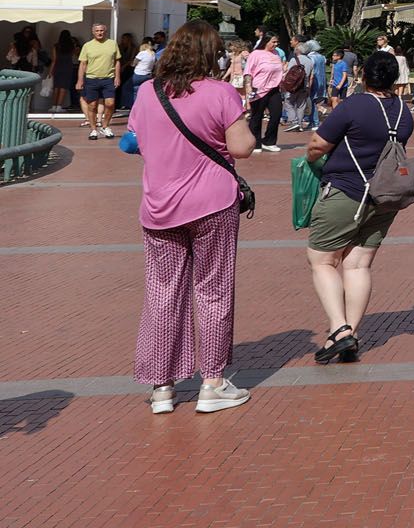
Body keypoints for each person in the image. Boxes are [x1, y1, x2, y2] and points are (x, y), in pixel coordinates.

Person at [129, 21, 256, 414]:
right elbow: (242, 148)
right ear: (212, 55)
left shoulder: (148, 92)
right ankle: (212, 383)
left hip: (159, 206)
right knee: (213, 289)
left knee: (162, 292)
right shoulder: (221, 93)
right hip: (212, 203)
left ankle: (162, 386)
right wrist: (244, 122)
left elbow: (134, 142)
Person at [302, 50, 413, 364]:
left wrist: (311, 161)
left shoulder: (354, 106)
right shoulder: (403, 112)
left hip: (346, 191)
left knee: (322, 260)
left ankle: (339, 328)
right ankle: (350, 334)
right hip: (385, 197)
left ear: (364, 75)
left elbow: (317, 145)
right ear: (394, 78)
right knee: (358, 264)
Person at [243, 33, 286, 153]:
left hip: (274, 89)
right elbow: (248, 72)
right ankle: (254, 143)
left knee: (276, 114)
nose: (275, 44)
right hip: (258, 89)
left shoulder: (276, 54)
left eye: (277, 42)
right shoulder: (256, 54)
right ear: (266, 41)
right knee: (257, 116)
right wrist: (248, 88)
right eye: (273, 42)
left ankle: (269, 141)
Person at [78, 21, 121, 138]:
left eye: (101, 30)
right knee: (92, 105)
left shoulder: (112, 44)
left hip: (108, 79)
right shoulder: (87, 46)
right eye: (97, 31)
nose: (99, 33)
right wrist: (80, 80)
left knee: (110, 104)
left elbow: (117, 61)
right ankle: (93, 129)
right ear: (93, 32)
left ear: (105, 31)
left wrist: (117, 76)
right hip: (91, 79)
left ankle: (105, 126)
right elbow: (82, 64)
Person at [51, 29, 77, 112]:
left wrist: (50, 71)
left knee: (56, 87)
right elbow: (73, 55)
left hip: (58, 67)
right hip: (68, 67)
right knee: (63, 87)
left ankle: (54, 106)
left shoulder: (56, 46)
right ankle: (59, 106)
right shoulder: (71, 46)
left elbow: (54, 60)